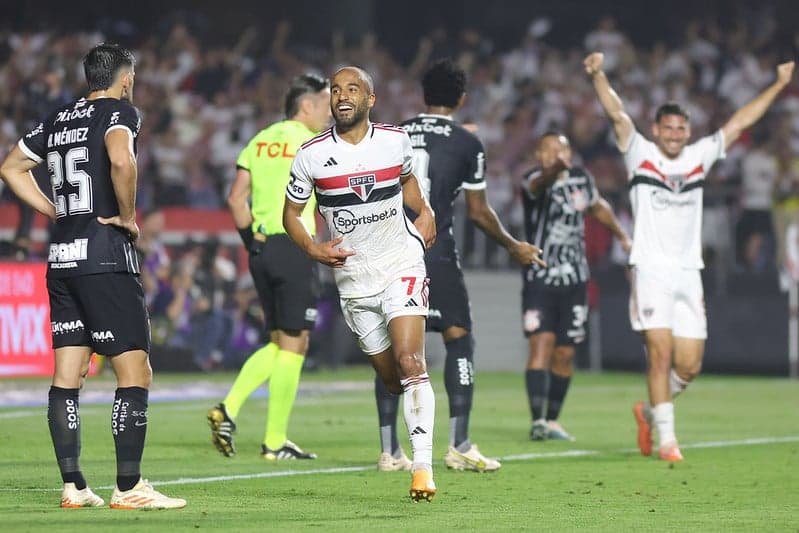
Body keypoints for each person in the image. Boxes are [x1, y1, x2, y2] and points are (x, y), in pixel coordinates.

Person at [584, 51, 795, 461]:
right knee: (659, 353)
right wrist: (597, 75)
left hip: (688, 273)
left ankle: (647, 413)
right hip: (650, 269)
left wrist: (778, 85)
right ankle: (667, 440)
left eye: (682, 128)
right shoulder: (639, 152)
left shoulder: (699, 156)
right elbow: (616, 112)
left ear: (688, 131)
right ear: (657, 130)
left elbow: (741, 121)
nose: (676, 134)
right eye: (669, 128)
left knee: (690, 366)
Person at [0, 43, 185, 509]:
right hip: (104, 257)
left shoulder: (59, 118)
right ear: (126, 77)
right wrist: (127, 215)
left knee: (68, 374)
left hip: (61, 257)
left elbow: (11, 167)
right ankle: (129, 487)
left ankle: (74, 486)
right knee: (134, 371)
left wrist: (55, 210)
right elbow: (121, 159)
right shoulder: (121, 110)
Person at [371, 58, 543, 474]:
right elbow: (479, 213)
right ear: (462, 99)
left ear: (422, 95)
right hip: (435, 250)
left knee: (395, 347)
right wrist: (513, 244)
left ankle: (390, 450)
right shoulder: (467, 143)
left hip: (390, 248)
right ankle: (460, 444)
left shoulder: (393, 135)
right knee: (458, 338)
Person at [283, 66, 438, 501]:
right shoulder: (311, 154)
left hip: (401, 263)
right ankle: (412, 443)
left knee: (411, 363)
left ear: (371, 99)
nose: (342, 96)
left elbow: (408, 180)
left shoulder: (394, 141)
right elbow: (290, 215)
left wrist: (423, 211)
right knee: (391, 379)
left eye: (353, 89)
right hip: (353, 279)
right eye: (335, 90)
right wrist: (313, 249)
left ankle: (423, 468)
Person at [207, 74, 331, 460]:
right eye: (325, 105)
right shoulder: (313, 142)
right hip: (296, 245)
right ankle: (273, 441)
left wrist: (253, 245)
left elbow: (235, 198)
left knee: (279, 342)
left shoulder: (259, 140)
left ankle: (228, 409)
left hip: (262, 250)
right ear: (306, 105)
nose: (329, 113)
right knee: (296, 344)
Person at [521, 132, 631, 442]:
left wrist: (622, 235)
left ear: (569, 153)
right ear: (538, 155)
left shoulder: (582, 178)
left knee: (566, 353)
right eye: (546, 150)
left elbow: (598, 207)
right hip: (540, 279)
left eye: (558, 150)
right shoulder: (532, 180)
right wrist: (554, 170)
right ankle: (537, 421)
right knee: (540, 345)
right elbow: (537, 186)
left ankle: (553, 420)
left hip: (575, 281)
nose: (552, 155)